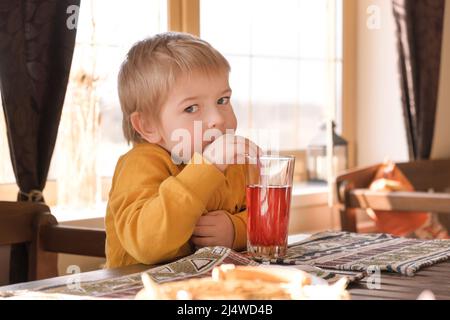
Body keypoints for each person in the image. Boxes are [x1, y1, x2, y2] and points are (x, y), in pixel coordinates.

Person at [105, 32, 260, 268]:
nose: (217, 119)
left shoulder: (236, 163)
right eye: (191, 108)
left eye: (222, 100)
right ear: (148, 125)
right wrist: (205, 169)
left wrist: (235, 229)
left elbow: (270, 221)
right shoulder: (140, 164)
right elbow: (147, 245)